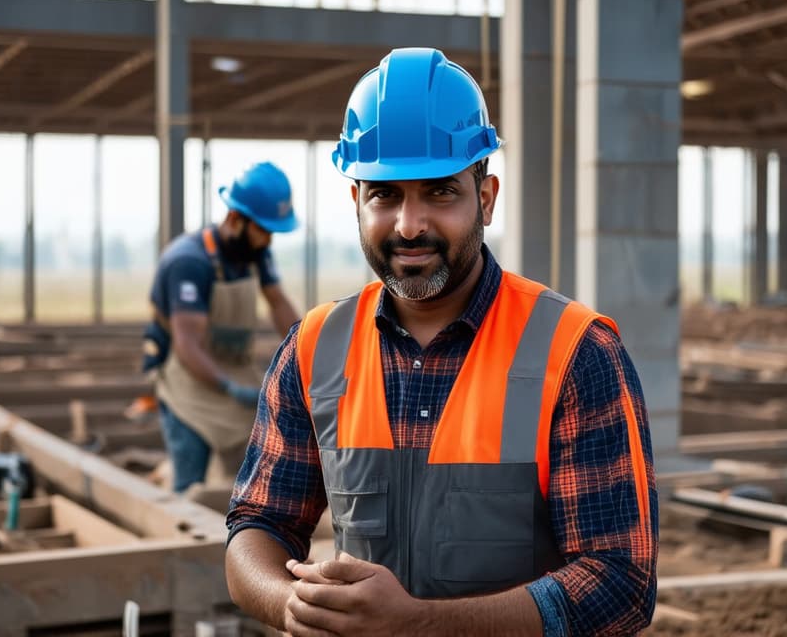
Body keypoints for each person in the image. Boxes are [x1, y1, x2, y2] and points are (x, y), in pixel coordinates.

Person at [225, 48, 657, 636]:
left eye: (439, 192)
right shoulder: (314, 347)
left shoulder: (575, 351)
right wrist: (288, 603)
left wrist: (419, 624)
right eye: (385, 194)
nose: (409, 224)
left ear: (484, 196)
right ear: (357, 201)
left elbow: (621, 584)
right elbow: (258, 523)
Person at [142, 161, 301, 493]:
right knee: (191, 481)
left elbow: (278, 303)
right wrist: (230, 388)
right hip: (190, 381)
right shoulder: (190, 262)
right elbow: (188, 346)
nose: (268, 240)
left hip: (234, 368)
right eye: (264, 230)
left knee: (264, 467)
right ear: (235, 219)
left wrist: (308, 346)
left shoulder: (255, 252)